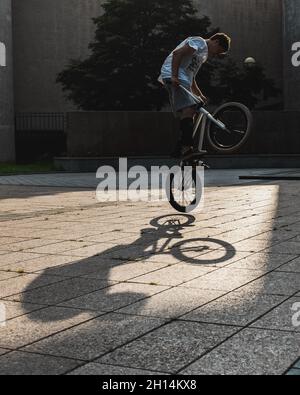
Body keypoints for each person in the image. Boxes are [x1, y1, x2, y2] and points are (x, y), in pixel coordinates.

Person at [158, 33, 231, 158]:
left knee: (194, 108)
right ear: (216, 41)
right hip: (173, 75)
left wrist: (199, 94)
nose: (215, 55)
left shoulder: (202, 55)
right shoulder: (199, 42)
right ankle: (186, 148)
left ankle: (180, 147)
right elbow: (177, 54)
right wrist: (174, 76)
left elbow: (191, 76)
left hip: (182, 78)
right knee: (189, 108)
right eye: (217, 52)